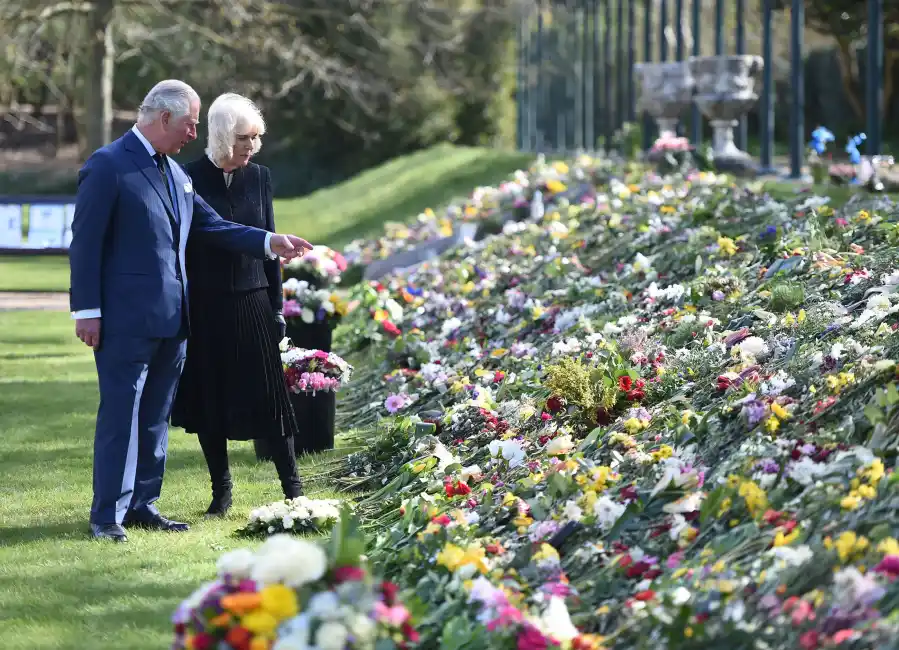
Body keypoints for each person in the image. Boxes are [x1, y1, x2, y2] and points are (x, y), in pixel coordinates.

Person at [69, 80, 313, 543]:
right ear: (164, 118)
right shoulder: (108, 165)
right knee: (121, 416)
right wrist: (86, 310)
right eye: (190, 124)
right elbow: (85, 244)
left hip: (175, 320)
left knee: (155, 417)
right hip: (125, 321)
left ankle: (143, 504)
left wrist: (269, 242)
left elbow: (213, 226)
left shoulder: (176, 174)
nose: (194, 134)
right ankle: (107, 516)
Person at [170, 93, 302, 517]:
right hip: (205, 305)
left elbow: (271, 244)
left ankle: (294, 490)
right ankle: (221, 492)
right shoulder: (186, 177)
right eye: (245, 138)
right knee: (211, 401)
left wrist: (277, 306)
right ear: (223, 135)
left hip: (253, 300)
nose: (252, 146)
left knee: (272, 400)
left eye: (256, 138)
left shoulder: (260, 177)